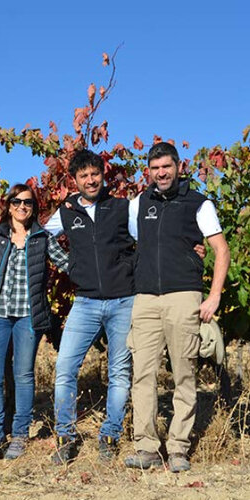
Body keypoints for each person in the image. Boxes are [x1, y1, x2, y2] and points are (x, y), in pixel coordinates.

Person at [124, 142, 230, 473]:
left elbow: (221, 251)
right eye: (155, 168)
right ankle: (146, 447)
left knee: (184, 372)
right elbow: (135, 244)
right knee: (141, 374)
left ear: (178, 166)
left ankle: (179, 447)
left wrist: (213, 296)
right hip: (145, 299)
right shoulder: (139, 203)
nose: (161, 173)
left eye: (166, 167)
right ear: (149, 172)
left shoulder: (198, 203)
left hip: (184, 296)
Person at [45, 149, 137, 464]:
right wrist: (70, 266)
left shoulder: (123, 207)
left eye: (94, 174)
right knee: (65, 368)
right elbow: (42, 237)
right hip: (85, 302)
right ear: (75, 180)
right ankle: (65, 436)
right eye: (83, 176)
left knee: (119, 372)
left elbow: (149, 241)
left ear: (103, 174)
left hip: (124, 300)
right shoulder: (67, 210)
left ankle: (110, 434)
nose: (90, 180)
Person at [0, 184, 68, 461]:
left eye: (27, 203)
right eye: (16, 202)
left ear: (34, 208)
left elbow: (68, 264)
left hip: (28, 318)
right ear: (8, 205)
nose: (21, 207)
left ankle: (19, 435)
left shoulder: (43, 238)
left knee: (24, 376)